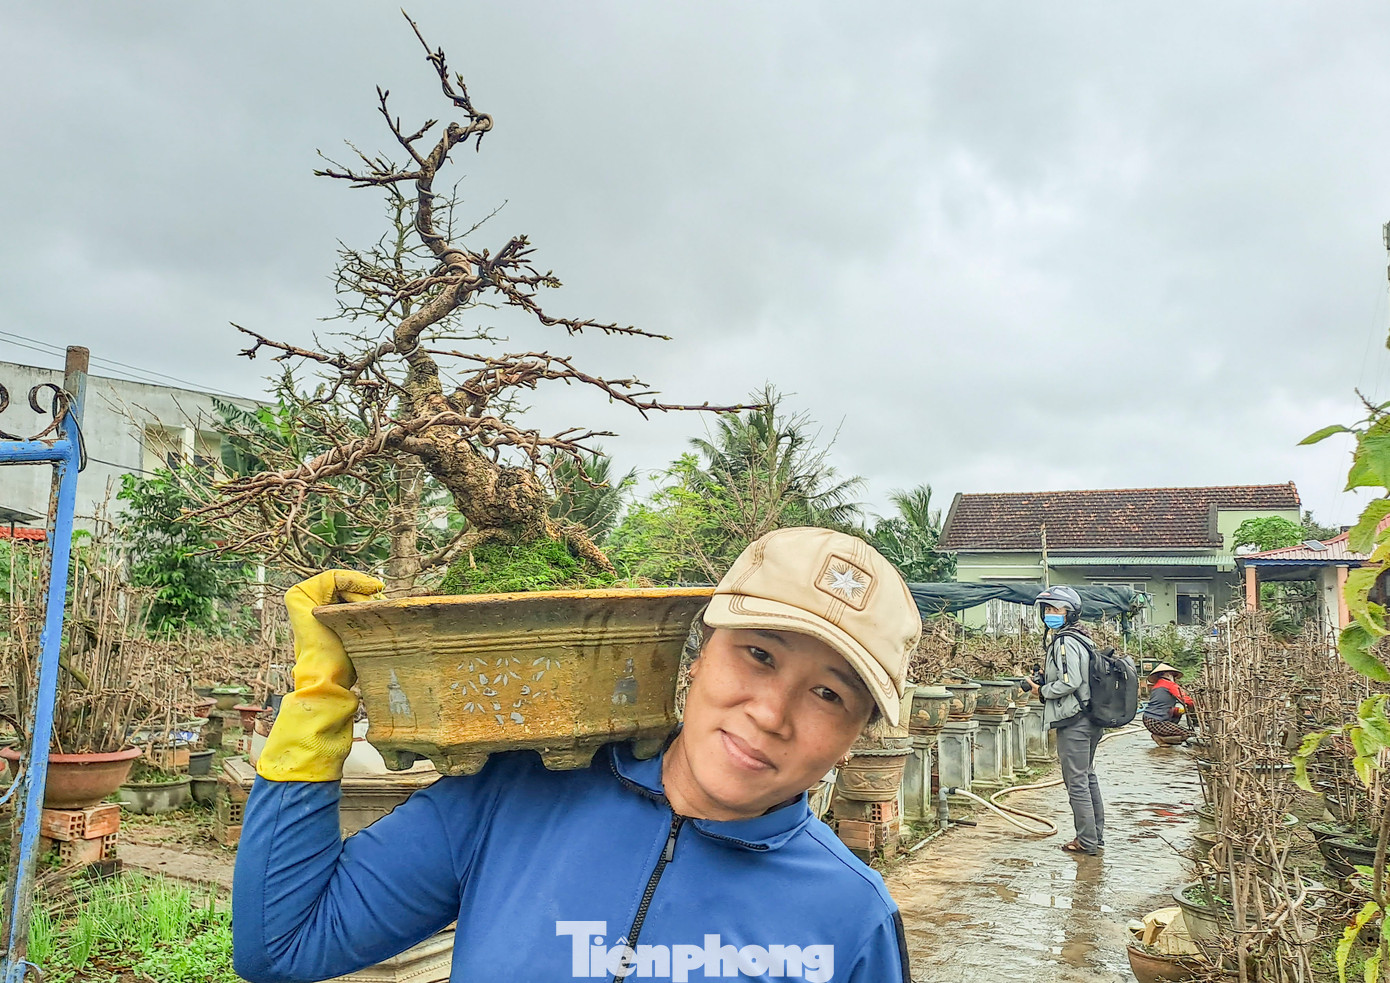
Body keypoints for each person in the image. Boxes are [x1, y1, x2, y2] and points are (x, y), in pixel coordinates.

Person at [232, 527, 922, 983]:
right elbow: (281, 942)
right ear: (697, 652)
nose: (771, 713)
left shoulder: (850, 920)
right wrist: (319, 698)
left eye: (829, 694)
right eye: (758, 654)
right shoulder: (512, 794)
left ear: (856, 733)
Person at [1020, 585, 1105, 856]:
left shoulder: (1065, 641)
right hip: (1091, 717)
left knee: (1077, 782)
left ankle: (1087, 842)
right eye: (1046, 609)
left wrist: (1041, 690)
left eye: (1055, 609)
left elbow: (1070, 681)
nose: (1049, 614)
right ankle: (1095, 836)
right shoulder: (1083, 637)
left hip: (1074, 720)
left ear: (1069, 613)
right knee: (1087, 777)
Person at [1142, 662, 1195, 744]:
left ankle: (1163, 736)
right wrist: (1196, 706)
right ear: (1168, 674)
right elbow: (1186, 700)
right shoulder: (1170, 685)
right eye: (1173, 675)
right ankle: (1163, 739)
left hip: (1148, 719)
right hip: (1157, 721)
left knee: (1177, 711)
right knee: (1189, 734)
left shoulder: (1156, 687)